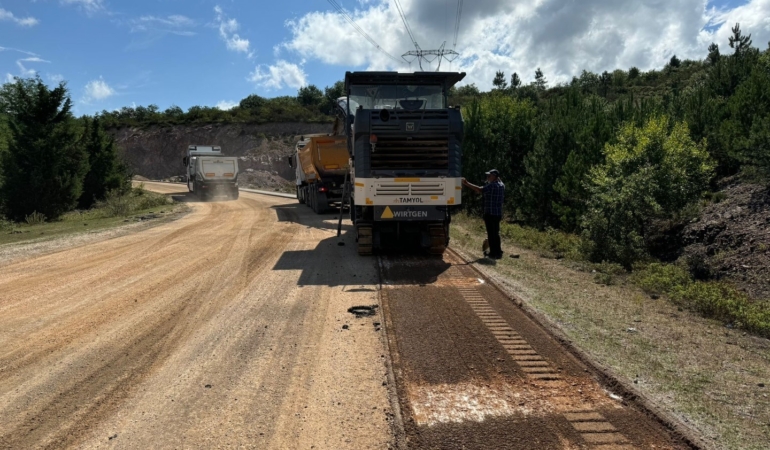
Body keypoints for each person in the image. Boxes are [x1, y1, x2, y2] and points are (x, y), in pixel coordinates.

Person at [462, 169, 505, 259]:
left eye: (489, 176)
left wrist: (466, 183)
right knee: (496, 233)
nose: (488, 177)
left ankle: (493, 253)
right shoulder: (501, 185)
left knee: (491, 234)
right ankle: (498, 252)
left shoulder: (492, 186)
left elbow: (479, 189)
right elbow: (498, 182)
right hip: (497, 213)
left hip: (490, 213)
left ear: (494, 176)